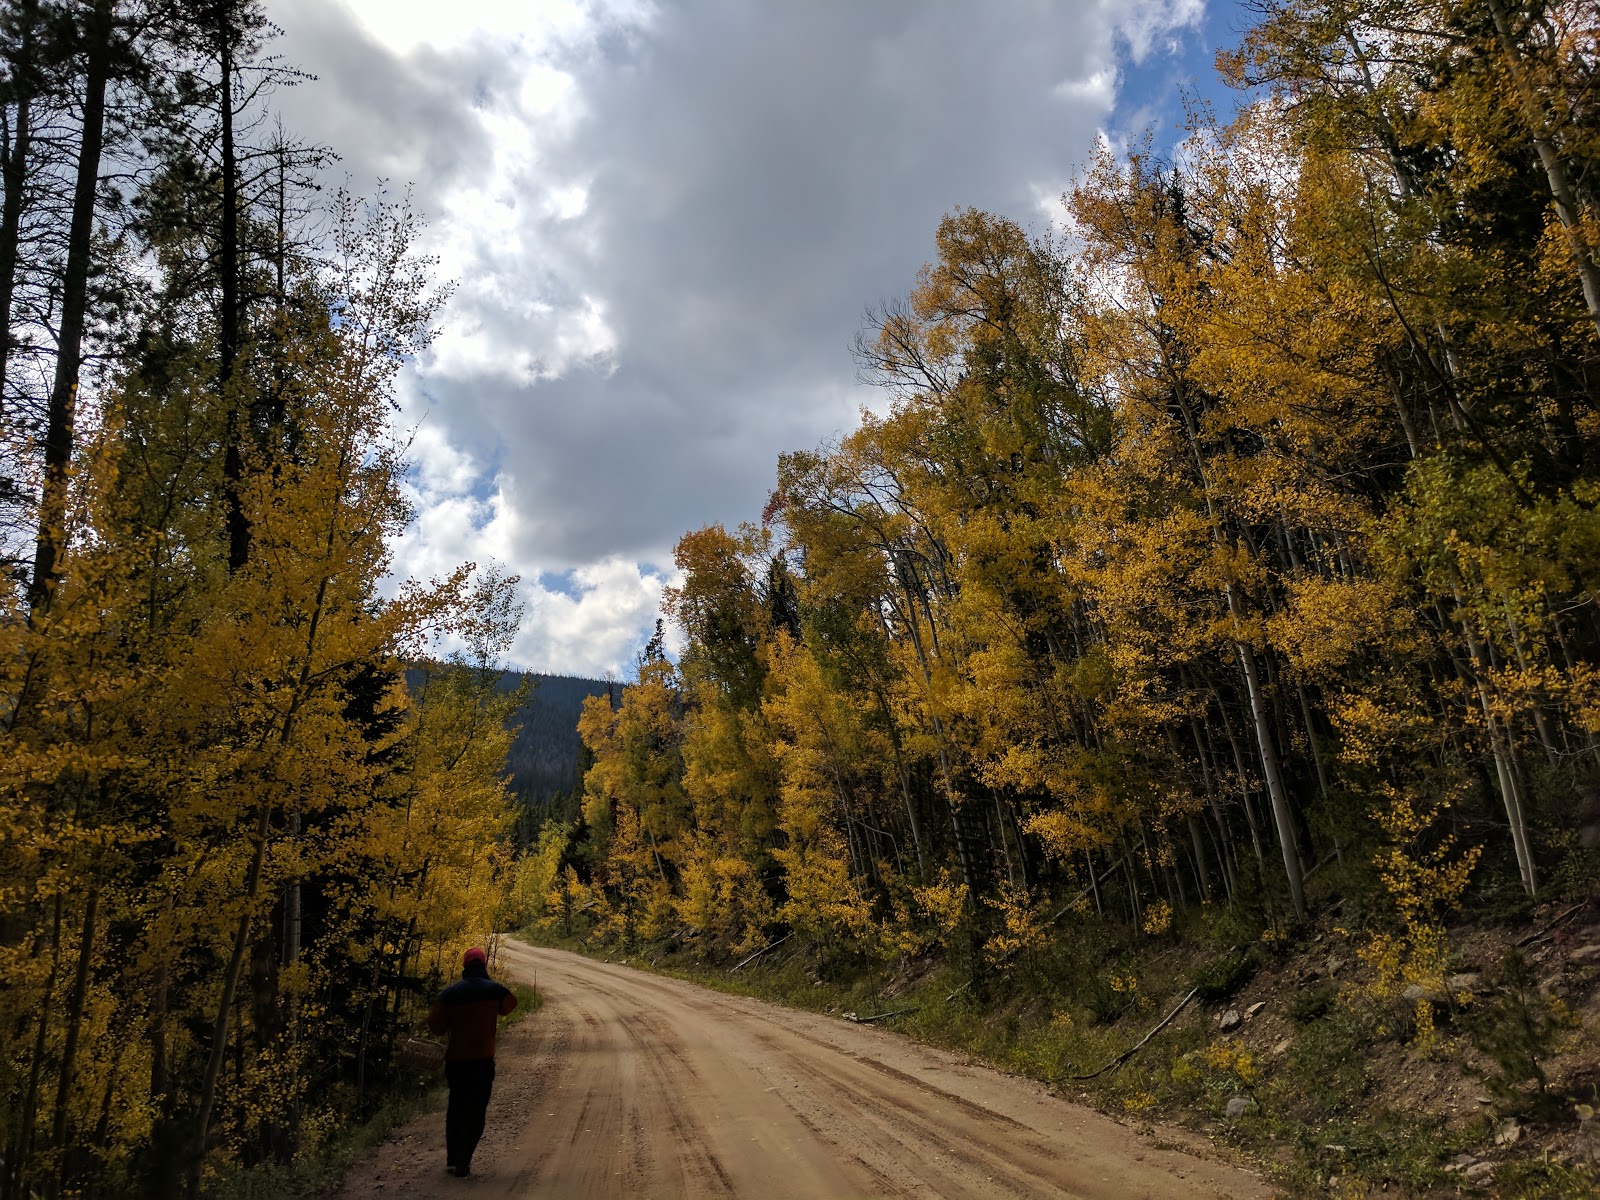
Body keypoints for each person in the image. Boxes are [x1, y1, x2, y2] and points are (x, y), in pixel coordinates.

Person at [427, 946, 518, 1178]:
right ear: (483, 965)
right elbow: (510, 1004)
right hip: (482, 1061)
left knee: (456, 1107)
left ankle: (451, 1158)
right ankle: (464, 1160)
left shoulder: (449, 994)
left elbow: (436, 1028)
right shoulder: (494, 990)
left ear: (465, 967)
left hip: (456, 1063)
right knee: (477, 1110)